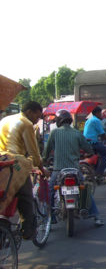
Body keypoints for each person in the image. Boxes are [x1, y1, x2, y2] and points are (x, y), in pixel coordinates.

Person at [43, 109, 104, 226]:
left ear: (58, 121)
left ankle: (52, 217)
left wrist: (43, 160)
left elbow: (46, 152)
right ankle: (96, 216)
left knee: (50, 190)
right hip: (75, 170)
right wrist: (88, 153)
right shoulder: (77, 133)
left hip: (58, 170)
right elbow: (89, 149)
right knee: (84, 190)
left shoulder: (54, 133)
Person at [0, 101, 49, 239]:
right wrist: (41, 168)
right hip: (15, 164)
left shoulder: (5, 119)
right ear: (30, 112)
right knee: (26, 195)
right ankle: (28, 232)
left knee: (4, 193)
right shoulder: (26, 124)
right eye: (37, 117)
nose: (36, 120)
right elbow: (34, 152)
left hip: (1, 161)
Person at [83, 107, 106, 179]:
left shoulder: (89, 120)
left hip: (86, 142)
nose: (101, 115)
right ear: (96, 113)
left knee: (97, 156)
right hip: (93, 143)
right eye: (100, 113)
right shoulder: (96, 120)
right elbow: (103, 134)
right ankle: (100, 172)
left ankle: (95, 174)